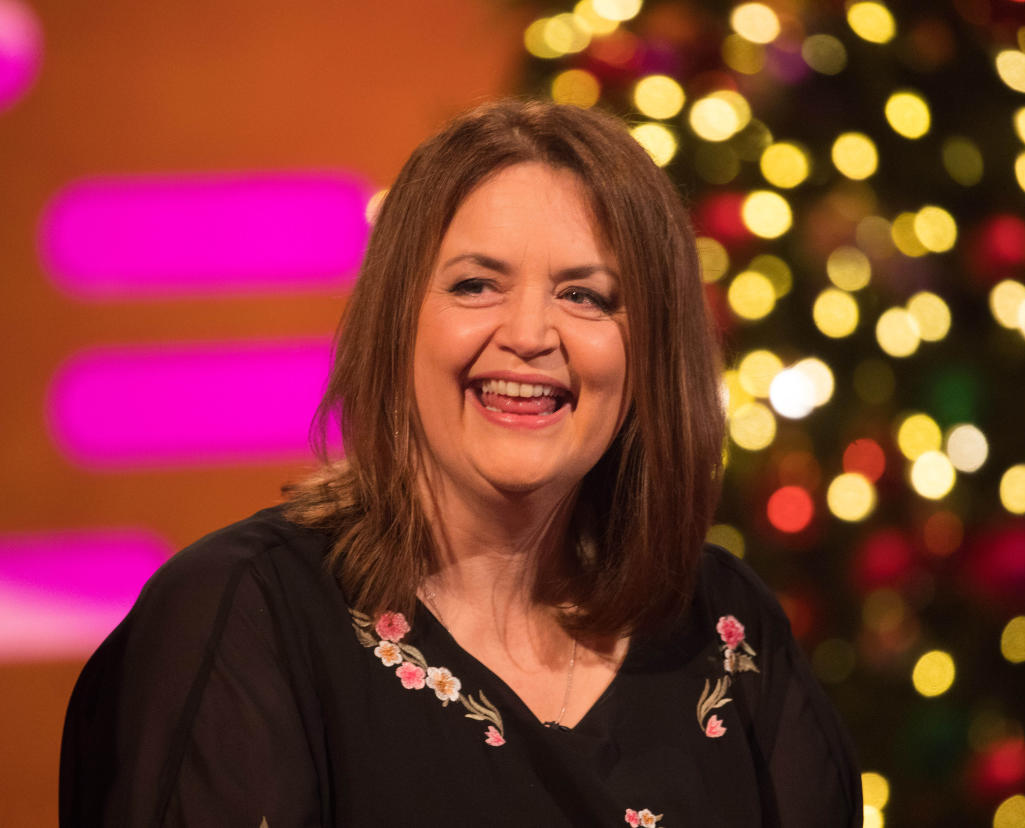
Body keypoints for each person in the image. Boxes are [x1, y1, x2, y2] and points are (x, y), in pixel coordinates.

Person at [60, 99, 862, 827]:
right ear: (397, 322)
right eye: (477, 285)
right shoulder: (243, 615)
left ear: (649, 351)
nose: (529, 334)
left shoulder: (727, 629)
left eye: (585, 296)